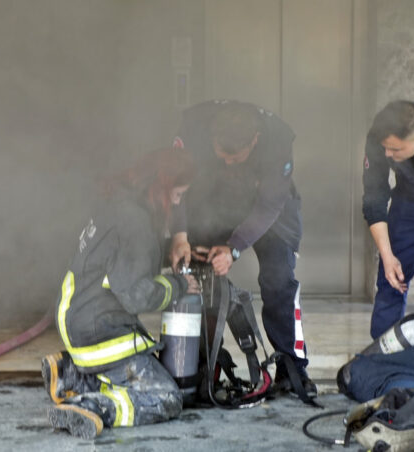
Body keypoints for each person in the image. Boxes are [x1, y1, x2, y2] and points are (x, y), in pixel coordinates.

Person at [41, 147, 200, 439]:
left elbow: (122, 265)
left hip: (79, 318)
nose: (177, 205)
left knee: (139, 374)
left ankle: (70, 374)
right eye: (176, 196)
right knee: (166, 397)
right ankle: (91, 405)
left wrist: (169, 253)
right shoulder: (136, 223)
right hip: (100, 331)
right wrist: (178, 286)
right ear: (161, 189)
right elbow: (136, 296)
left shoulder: (120, 205)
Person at [168, 99, 315, 397]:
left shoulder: (277, 141)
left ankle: (291, 367)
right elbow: (174, 183)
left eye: (235, 158)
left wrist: (233, 249)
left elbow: (270, 205)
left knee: (279, 281)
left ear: (255, 141)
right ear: (211, 137)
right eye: (222, 155)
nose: (228, 162)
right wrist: (180, 234)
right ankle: (203, 362)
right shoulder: (192, 128)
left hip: (270, 213)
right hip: (211, 203)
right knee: (199, 276)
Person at [363, 100, 414, 339]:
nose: (387, 154)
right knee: (392, 279)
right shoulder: (379, 138)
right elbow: (374, 198)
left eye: (395, 150)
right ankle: (383, 357)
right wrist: (387, 256)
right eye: (385, 148)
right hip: (410, 203)